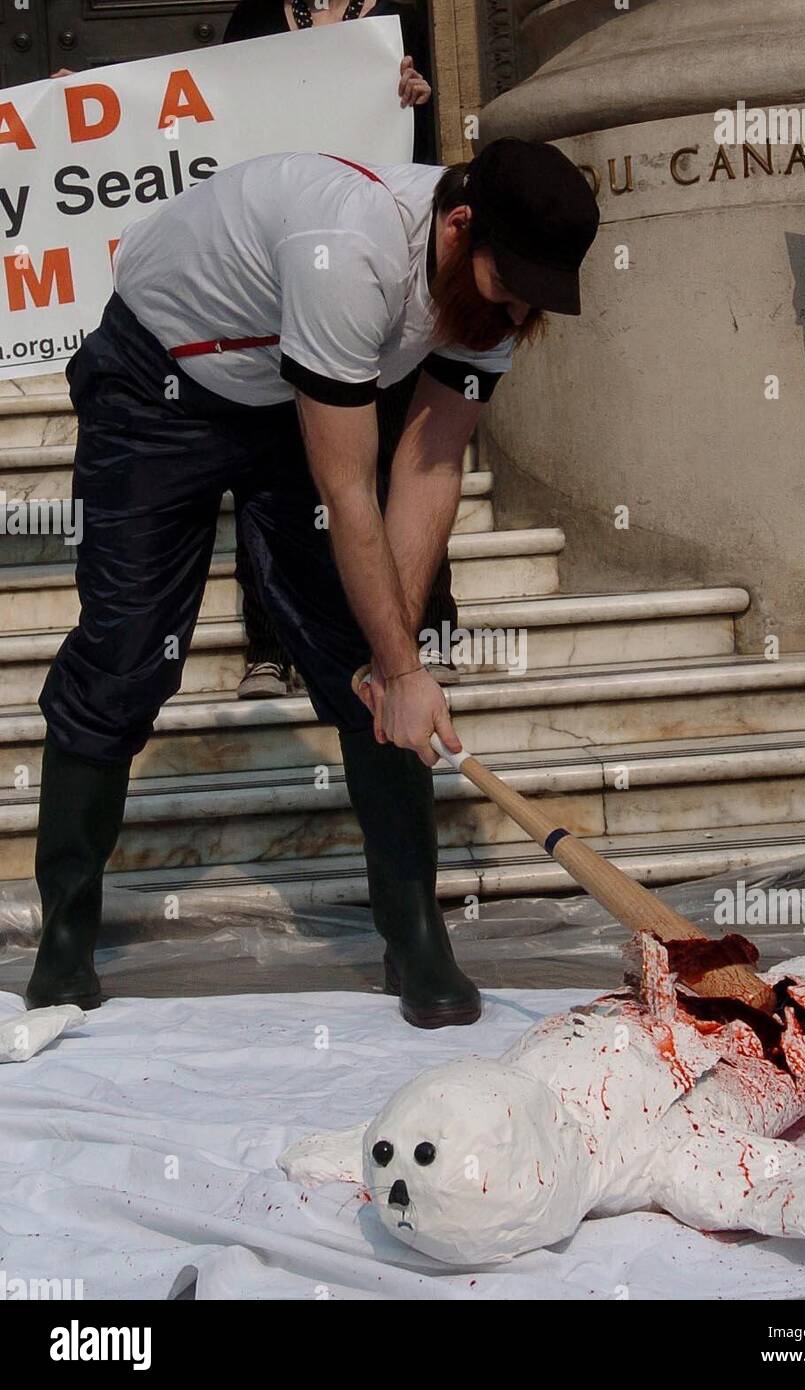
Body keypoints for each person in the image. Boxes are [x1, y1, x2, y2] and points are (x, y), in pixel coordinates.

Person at [26, 138, 600, 1028]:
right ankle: (65, 933)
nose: (517, 309)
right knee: (126, 652)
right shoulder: (349, 249)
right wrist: (402, 673)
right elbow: (346, 490)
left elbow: (431, 463)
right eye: (509, 283)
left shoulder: (489, 304)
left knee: (360, 653)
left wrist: (393, 660)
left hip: (281, 394)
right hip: (158, 383)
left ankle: (414, 936)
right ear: (458, 227)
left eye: (536, 295)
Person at [223, 0, 448, 697]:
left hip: (373, 277)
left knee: (404, 454)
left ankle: (422, 631)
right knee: (270, 468)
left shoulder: (402, 13)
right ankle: (269, 644)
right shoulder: (257, 13)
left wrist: (416, 98)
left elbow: (427, 160)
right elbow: (207, 104)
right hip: (277, 276)